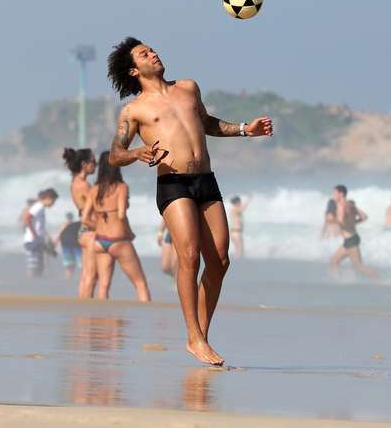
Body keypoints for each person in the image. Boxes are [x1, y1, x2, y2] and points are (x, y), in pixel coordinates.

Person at [106, 37, 273, 365]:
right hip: (172, 183)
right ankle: (194, 337)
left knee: (221, 261)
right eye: (144, 54)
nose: (153, 53)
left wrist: (244, 129)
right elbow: (114, 154)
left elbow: (207, 122)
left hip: (206, 180)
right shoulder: (134, 110)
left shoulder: (188, 87)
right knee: (189, 255)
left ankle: (201, 336)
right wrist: (137, 153)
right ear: (133, 69)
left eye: (152, 49)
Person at [83, 151, 151, 302]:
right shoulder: (121, 187)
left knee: (104, 285)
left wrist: (99, 224)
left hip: (100, 241)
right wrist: (129, 232)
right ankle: (148, 315)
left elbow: (85, 218)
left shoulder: (94, 190)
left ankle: (101, 321)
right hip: (118, 241)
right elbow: (121, 215)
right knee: (140, 283)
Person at [63, 148, 102, 298]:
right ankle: (86, 311)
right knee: (91, 276)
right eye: (93, 161)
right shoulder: (84, 185)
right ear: (84, 164)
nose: (96, 165)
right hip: (90, 229)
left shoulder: (75, 182)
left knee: (86, 275)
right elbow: (94, 209)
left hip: (83, 229)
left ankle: (82, 311)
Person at [329, 185, 377, 279]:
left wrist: (332, 220)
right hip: (351, 239)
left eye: (335, 193)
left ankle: (379, 280)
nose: (333, 195)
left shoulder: (340, 205)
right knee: (334, 261)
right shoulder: (350, 205)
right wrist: (352, 223)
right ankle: (336, 281)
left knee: (359, 266)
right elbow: (364, 217)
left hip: (351, 241)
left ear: (341, 194)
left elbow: (341, 222)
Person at [23, 188, 59, 278]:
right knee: (33, 266)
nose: (53, 204)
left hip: (37, 241)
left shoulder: (41, 207)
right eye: (53, 201)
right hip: (32, 241)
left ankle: (34, 285)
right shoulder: (38, 206)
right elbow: (27, 218)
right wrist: (34, 235)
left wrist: (48, 249)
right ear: (48, 198)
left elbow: (39, 226)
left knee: (39, 267)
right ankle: (29, 285)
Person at [55, 212, 82, 278]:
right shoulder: (77, 224)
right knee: (75, 262)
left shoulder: (74, 224)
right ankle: (70, 276)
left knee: (70, 263)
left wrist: (55, 242)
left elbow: (59, 234)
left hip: (68, 244)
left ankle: (69, 276)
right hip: (73, 245)